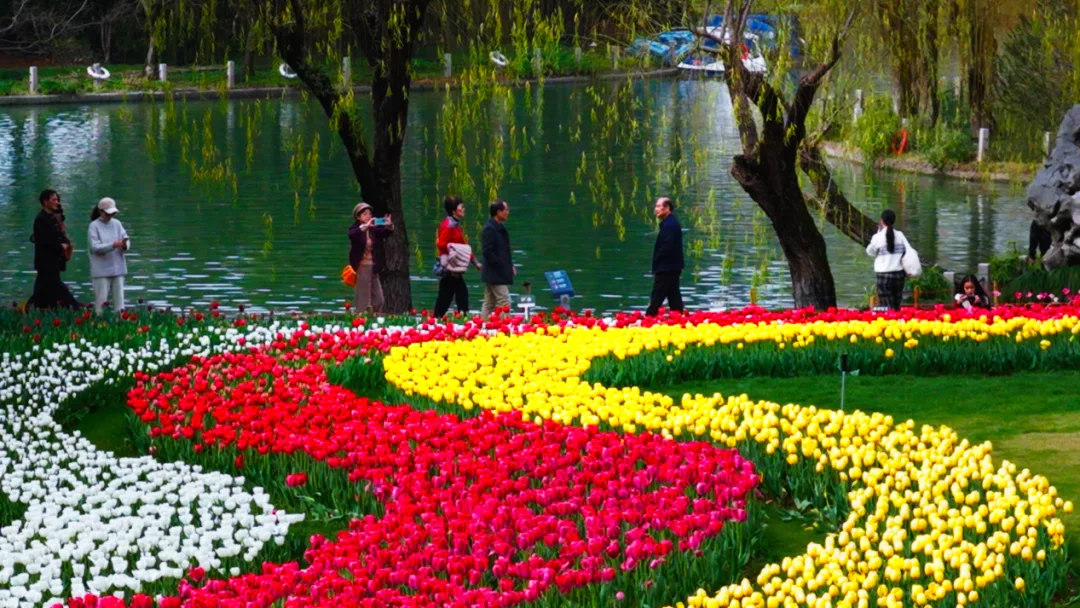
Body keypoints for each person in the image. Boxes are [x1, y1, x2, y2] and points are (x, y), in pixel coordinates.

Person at [27, 189, 79, 310]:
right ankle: (75, 309)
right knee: (56, 289)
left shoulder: (53, 218)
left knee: (43, 292)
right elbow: (43, 241)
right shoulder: (41, 219)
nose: (57, 202)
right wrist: (61, 246)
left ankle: (36, 310)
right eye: (54, 200)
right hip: (46, 263)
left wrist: (66, 243)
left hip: (53, 263)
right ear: (45, 202)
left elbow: (60, 235)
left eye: (57, 199)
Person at [433, 196, 482, 318]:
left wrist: (475, 262)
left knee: (447, 295)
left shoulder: (454, 225)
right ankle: (462, 317)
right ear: (454, 211)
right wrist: (453, 249)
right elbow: (441, 244)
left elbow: (464, 246)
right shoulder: (449, 225)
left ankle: (437, 318)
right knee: (459, 293)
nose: (464, 209)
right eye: (461, 207)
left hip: (453, 267)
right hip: (450, 267)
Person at [348, 202, 393, 313]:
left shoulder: (373, 230)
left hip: (373, 267)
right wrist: (366, 226)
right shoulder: (355, 230)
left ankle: (375, 319)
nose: (368, 216)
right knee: (363, 300)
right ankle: (360, 320)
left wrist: (389, 225)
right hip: (362, 267)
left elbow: (386, 232)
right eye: (365, 214)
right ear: (358, 217)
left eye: (369, 214)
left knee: (379, 300)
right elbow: (352, 235)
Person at [87, 197, 130, 315]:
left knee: (120, 304)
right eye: (108, 214)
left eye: (113, 214)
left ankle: (120, 322)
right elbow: (95, 247)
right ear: (101, 211)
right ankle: (100, 322)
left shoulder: (117, 223)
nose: (110, 216)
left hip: (118, 268)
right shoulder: (94, 226)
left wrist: (124, 245)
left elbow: (125, 238)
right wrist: (113, 245)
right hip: (101, 271)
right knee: (101, 304)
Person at [866, 209, 912, 312]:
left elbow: (870, 252)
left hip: (883, 275)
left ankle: (890, 321)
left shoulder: (878, 237)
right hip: (899, 275)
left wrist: (878, 234)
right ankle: (897, 321)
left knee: (887, 307)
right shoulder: (900, 235)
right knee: (896, 305)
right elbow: (907, 251)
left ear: (882, 221)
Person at [646, 197, 684, 317]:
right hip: (671, 266)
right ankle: (678, 317)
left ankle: (648, 319)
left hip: (667, 267)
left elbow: (667, 247)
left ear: (667, 208)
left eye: (658, 206)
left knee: (657, 296)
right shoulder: (669, 223)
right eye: (656, 206)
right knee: (673, 295)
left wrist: (658, 262)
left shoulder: (670, 225)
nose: (656, 209)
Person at [480, 199, 515, 317]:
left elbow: (503, 251)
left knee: (489, 303)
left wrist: (510, 265)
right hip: (495, 273)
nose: (508, 212)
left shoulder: (499, 227)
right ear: (499, 212)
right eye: (506, 210)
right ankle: (504, 326)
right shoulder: (490, 229)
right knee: (505, 301)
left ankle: (482, 324)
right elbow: (487, 252)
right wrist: (501, 265)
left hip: (495, 272)